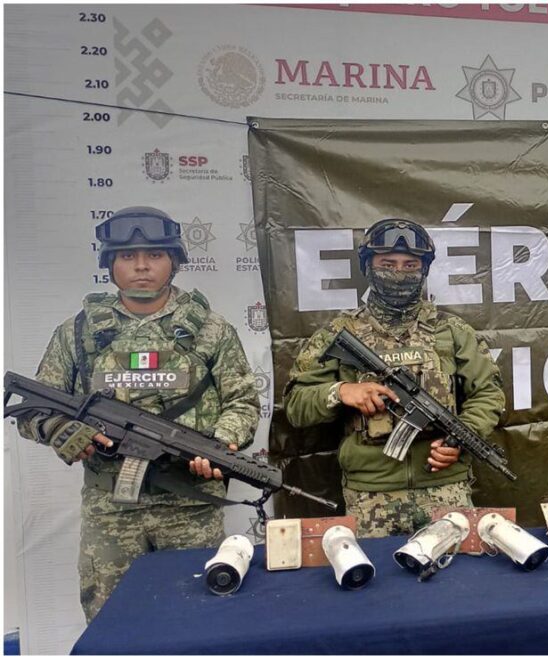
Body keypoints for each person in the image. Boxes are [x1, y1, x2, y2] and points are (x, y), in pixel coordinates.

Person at [16, 206, 259, 621]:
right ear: (109, 264)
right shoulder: (78, 332)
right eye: (128, 256)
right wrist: (60, 429)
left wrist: (219, 445)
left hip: (190, 508)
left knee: (200, 621)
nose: (142, 266)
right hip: (111, 511)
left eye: (155, 255)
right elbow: (35, 407)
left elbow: (243, 402)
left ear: (174, 262)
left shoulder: (211, 330)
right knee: (112, 623)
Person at [283, 218, 505, 538]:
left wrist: (460, 438)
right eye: (388, 264)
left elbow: (488, 392)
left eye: (410, 264)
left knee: (455, 569)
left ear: (424, 269)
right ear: (368, 266)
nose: (399, 273)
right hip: (370, 496)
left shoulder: (452, 331)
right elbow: (295, 404)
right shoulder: (340, 333)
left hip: (446, 489)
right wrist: (341, 391)